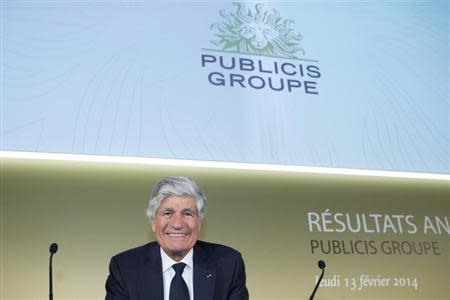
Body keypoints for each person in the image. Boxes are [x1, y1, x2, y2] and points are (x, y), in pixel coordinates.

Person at [105, 176, 249, 300]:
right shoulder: (125, 268)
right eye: (167, 213)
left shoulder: (228, 264)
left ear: (199, 223)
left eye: (187, 214)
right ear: (153, 223)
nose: (177, 224)